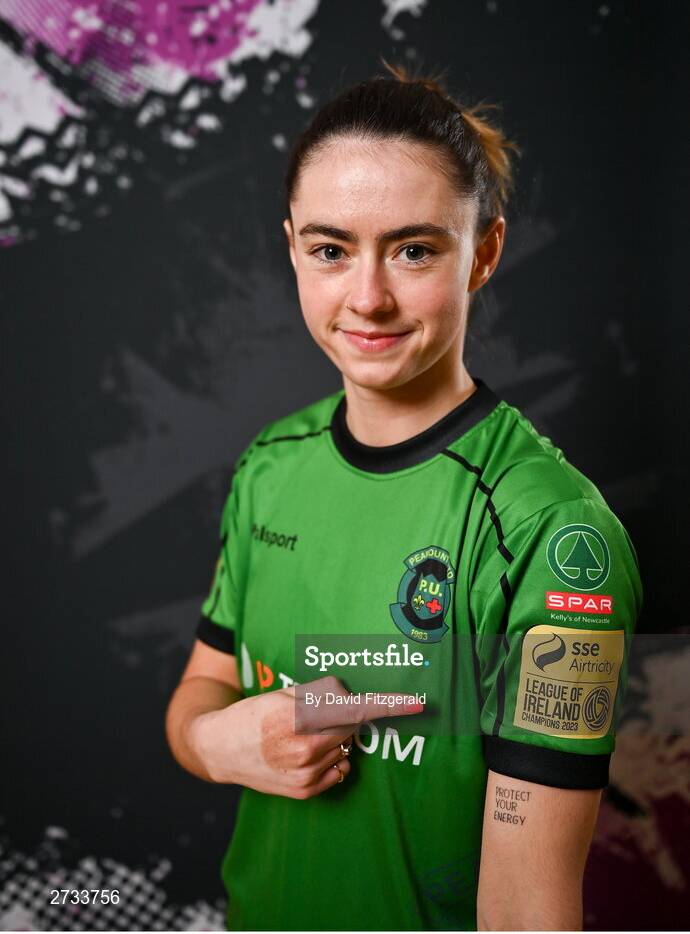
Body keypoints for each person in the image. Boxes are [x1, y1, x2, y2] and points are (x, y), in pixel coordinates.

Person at [165, 63, 642, 931]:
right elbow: (203, 692)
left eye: (414, 249)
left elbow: (526, 914)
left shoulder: (554, 533)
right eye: (331, 250)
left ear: (484, 253)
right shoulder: (270, 465)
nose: (368, 298)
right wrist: (215, 743)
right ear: (293, 249)